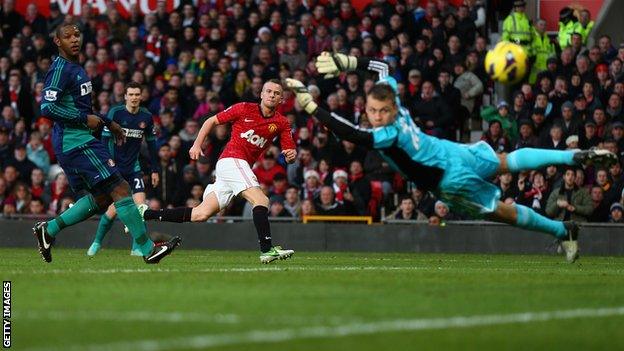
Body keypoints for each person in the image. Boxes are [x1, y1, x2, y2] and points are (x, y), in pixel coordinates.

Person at [287, 52, 618, 263]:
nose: (375, 116)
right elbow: (385, 64)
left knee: (501, 213)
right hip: (451, 150)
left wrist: (313, 105)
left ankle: (564, 231)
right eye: (372, 110)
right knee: (508, 161)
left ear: (389, 110)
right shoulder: (396, 102)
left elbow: (351, 134)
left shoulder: (386, 135)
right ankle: (575, 155)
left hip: (449, 178)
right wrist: (349, 62)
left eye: (380, 111)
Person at [34, 23, 180, 264]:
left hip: (79, 140)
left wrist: (107, 123)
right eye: (68, 37)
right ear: (58, 42)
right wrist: (85, 119)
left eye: (77, 35)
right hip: (75, 141)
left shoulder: (75, 68)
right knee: (121, 189)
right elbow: (47, 107)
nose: (74, 40)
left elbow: (82, 109)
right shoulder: (61, 69)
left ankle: (48, 230)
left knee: (102, 198)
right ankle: (147, 248)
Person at [142, 79, 296, 264]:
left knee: (201, 214)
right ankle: (267, 249)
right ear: (261, 94)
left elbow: (290, 153)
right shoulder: (243, 108)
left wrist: (290, 156)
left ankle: (146, 214)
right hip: (232, 160)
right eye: (268, 91)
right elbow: (211, 120)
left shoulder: (282, 123)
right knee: (261, 199)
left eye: (276, 93)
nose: (272, 95)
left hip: (236, 168)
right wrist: (197, 144)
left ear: (281, 99)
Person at [86, 82, 161, 257]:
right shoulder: (116, 113)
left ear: (141, 96)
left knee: (141, 207)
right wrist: (106, 163)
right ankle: (97, 242)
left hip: (133, 168)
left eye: (137, 94)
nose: (134, 98)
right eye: (131, 94)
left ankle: (137, 248)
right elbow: (104, 139)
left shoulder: (147, 117)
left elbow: (151, 145)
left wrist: (154, 170)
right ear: (125, 96)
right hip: (115, 169)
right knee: (112, 211)